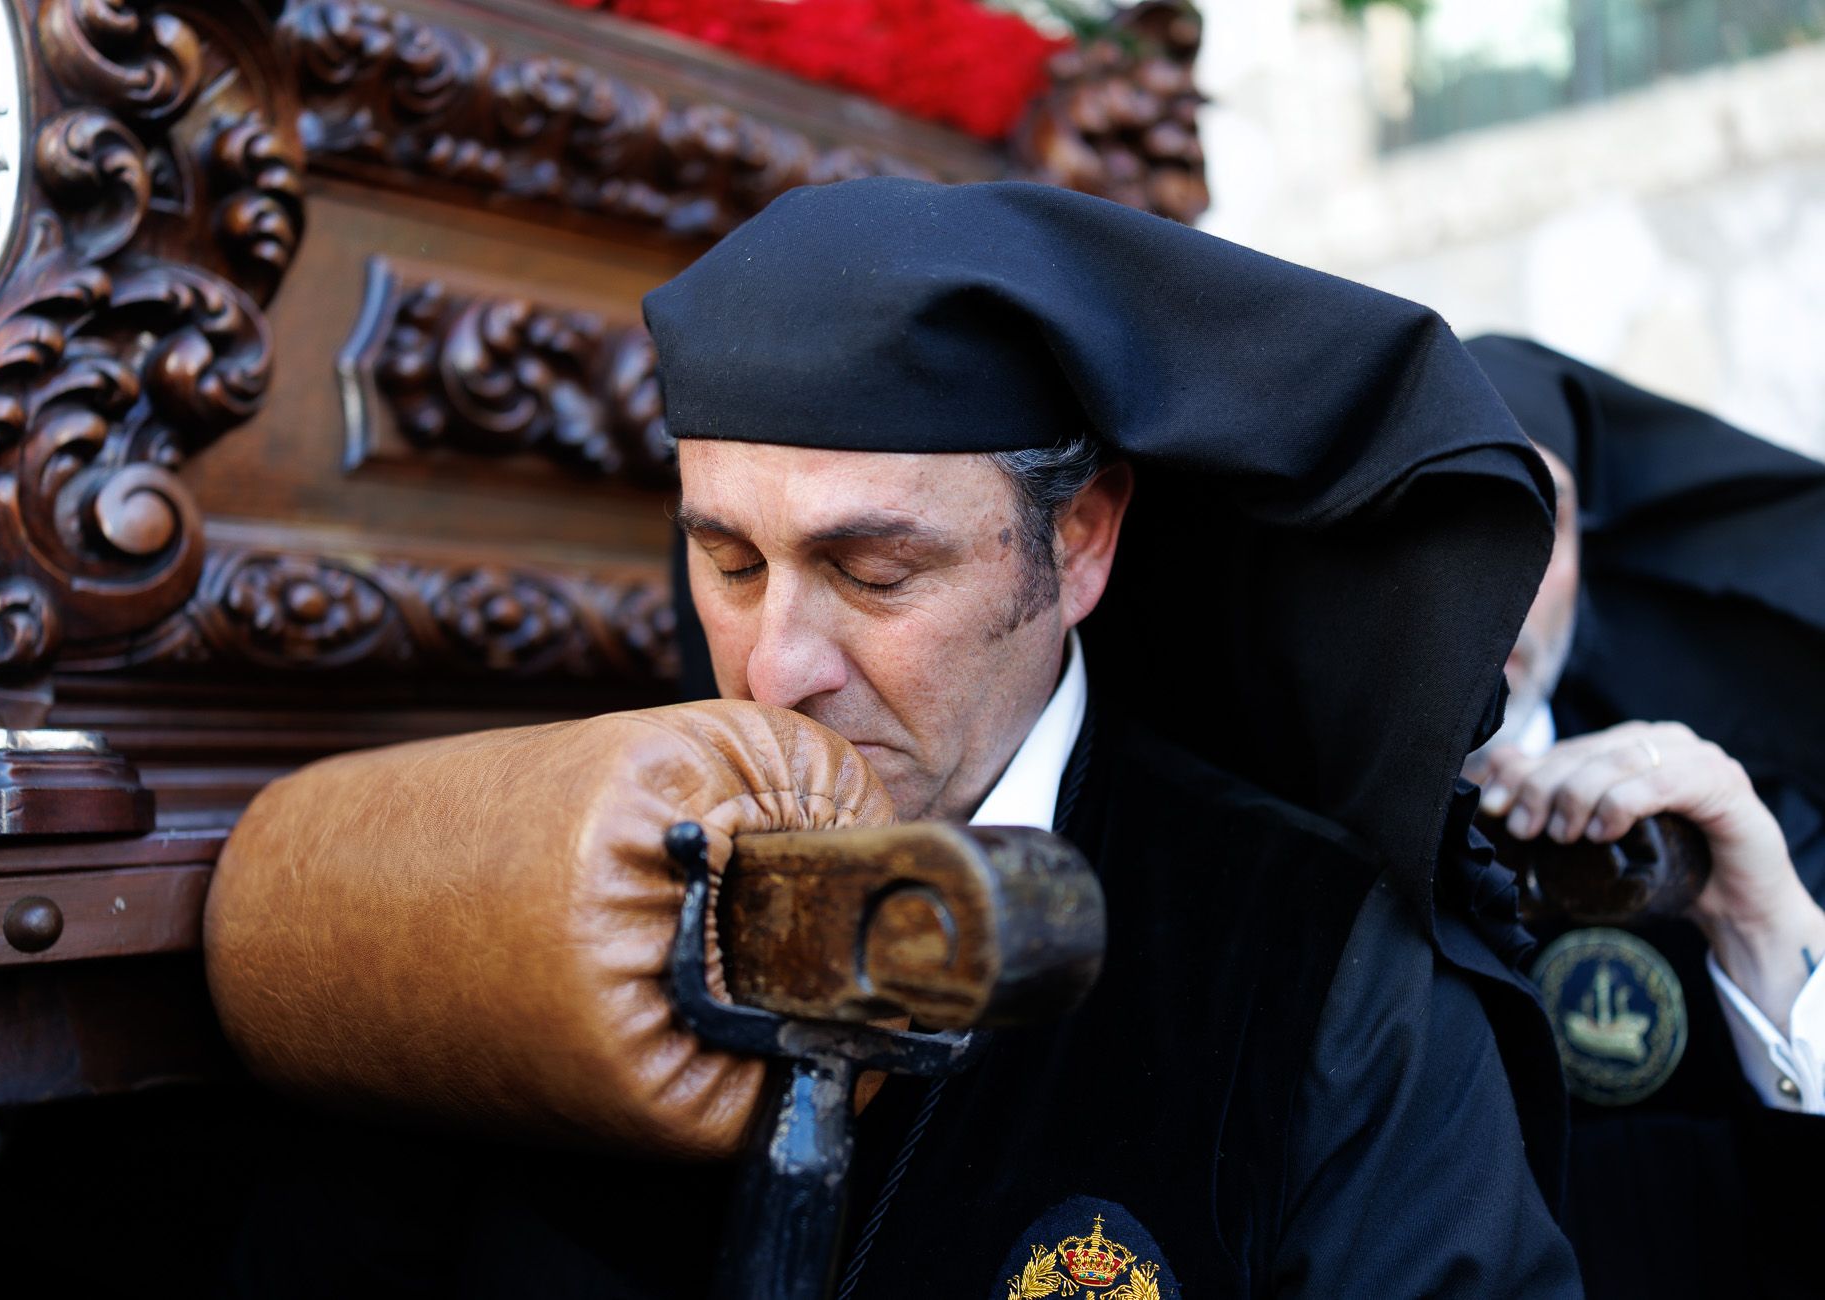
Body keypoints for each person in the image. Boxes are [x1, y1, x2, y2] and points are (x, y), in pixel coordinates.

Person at [645, 178, 1582, 1296]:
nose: (776, 667)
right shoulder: (599, 877)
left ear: (1079, 540)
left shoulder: (1316, 974)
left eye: (875, 572)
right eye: (732, 565)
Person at [1464, 335, 1825, 1300]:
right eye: (1460, 518)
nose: (1504, 580)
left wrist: (1762, 925)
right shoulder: (1282, 840)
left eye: (1547, 517)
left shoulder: (1731, 814)